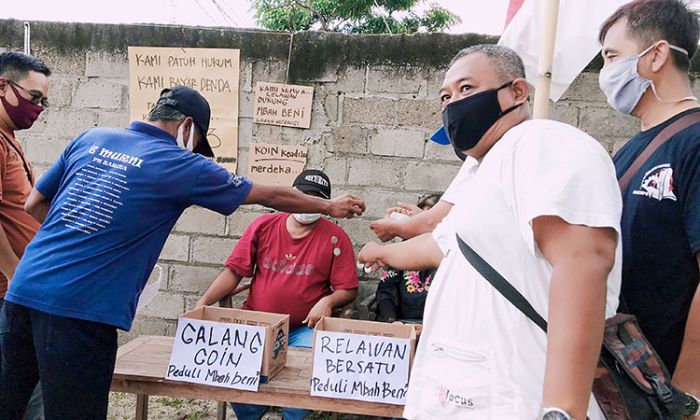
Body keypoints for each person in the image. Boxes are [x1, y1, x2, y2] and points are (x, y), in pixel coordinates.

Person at [0, 86, 365, 420]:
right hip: (80, 309)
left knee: (10, 404)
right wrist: (330, 206)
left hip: (22, 293)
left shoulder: (91, 138)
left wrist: (87, 235)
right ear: (187, 126)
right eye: (200, 142)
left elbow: (35, 203)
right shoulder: (180, 164)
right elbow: (269, 195)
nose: (197, 151)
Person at [359, 44, 622, 420]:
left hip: (519, 397)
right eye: (445, 96)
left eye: (466, 89)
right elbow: (439, 246)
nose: (453, 104)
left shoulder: (540, 142)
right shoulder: (485, 174)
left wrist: (562, 411)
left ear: (517, 92)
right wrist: (378, 251)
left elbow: (584, 260)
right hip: (467, 397)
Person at [598, 0, 700, 413]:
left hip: (669, 389)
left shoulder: (693, 143)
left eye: (611, 56)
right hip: (628, 381)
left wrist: (690, 390)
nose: (606, 72)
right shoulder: (630, 151)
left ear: (656, 54)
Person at [196, 169, 358, 420]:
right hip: (257, 322)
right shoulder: (263, 226)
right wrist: (203, 303)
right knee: (233, 368)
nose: (309, 203)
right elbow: (234, 273)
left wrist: (328, 300)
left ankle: (291, 417)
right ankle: (252, 413)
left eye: (317, 198)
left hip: (303, 327)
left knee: (305, 369)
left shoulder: (336, 238)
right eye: (304, 196)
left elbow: (348, 289)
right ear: (291, 196)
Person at [0, 51, 50, 420]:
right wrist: (14, 273)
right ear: (3, 86)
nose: (39, 107)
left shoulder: (9, 140)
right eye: (34, 97)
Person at [374, 193, 441, 323]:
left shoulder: (450, 254)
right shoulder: (402, 252)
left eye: (429, 221)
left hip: (438, 329)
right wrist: (392, 322)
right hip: (402, 325)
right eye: (421, 219)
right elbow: (386, 291)